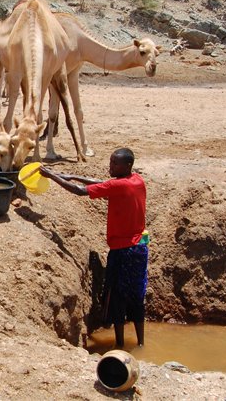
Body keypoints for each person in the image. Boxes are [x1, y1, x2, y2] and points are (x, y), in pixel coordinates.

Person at [40, 148, 149, 348]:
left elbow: (80, 191)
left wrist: (52, 176)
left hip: (123, 250)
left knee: (117, 297)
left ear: (127, 166)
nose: (110, 166)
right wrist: (71, 175)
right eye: (111, 162)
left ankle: (120, 346)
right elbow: (104, 184)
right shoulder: (137, 180)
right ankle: (141, 343)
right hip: (140, 247)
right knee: (137, 295)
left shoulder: (119, 185)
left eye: (115, 164)